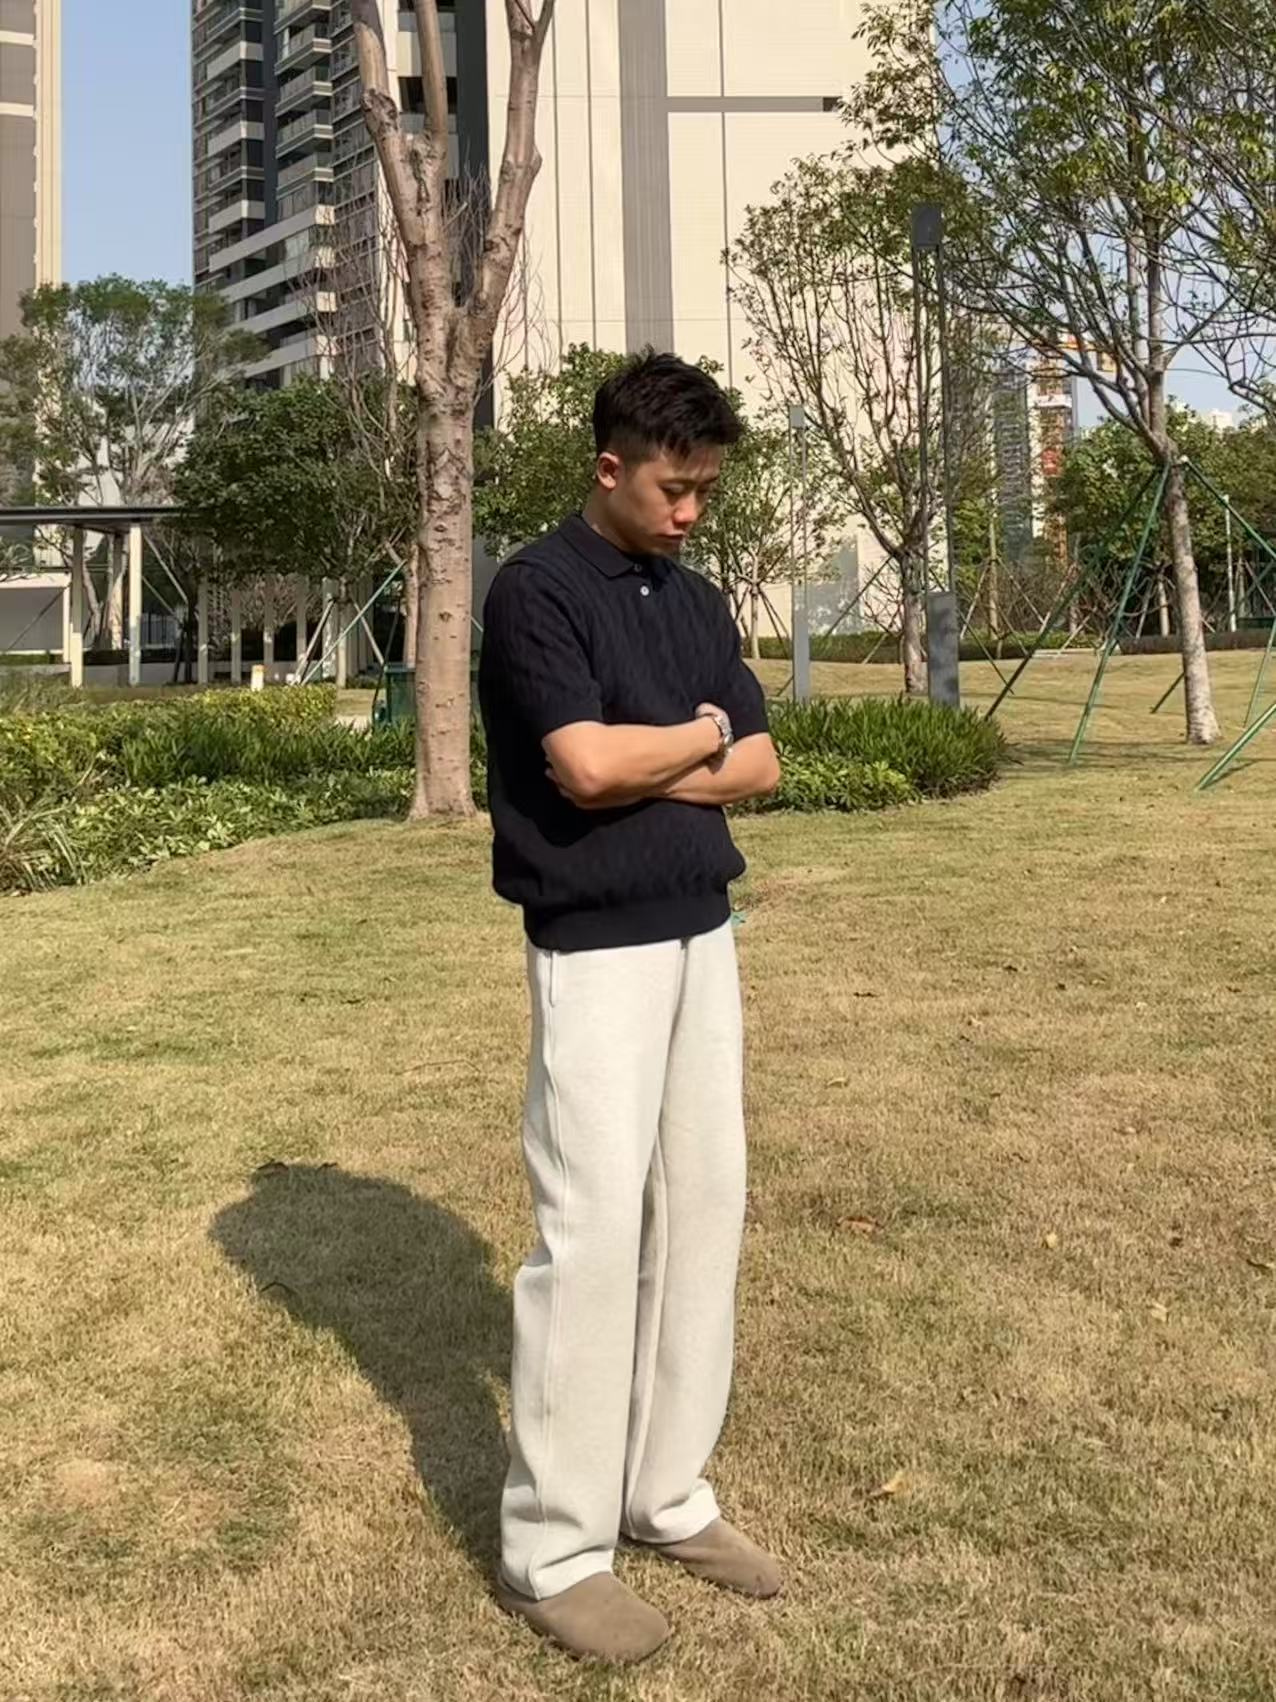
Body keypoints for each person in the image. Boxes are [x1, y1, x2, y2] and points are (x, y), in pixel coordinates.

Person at [478, 352, 783, 1664]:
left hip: (703, 931)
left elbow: (763, 764)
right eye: (674, 488)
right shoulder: (536, 590)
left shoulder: (696, 597)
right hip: (594, 946)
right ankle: (553, 1550)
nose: (691, 512)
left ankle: (666, 1492)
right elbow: (585, 766)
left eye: (705, 489)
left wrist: (675, 751)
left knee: (705, 1205)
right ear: (609, 466)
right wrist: (697, 738)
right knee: (592, 1234)